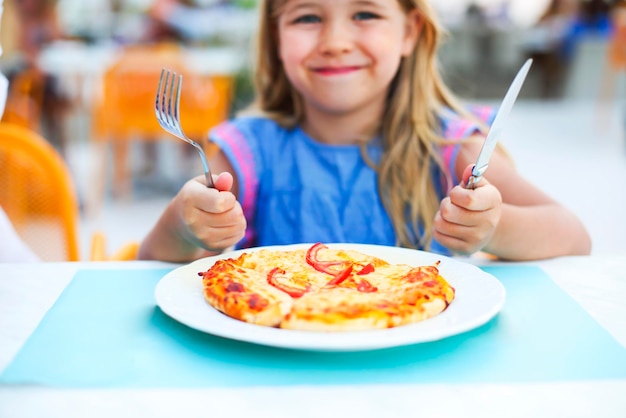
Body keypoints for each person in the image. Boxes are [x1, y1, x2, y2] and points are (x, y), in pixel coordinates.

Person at [138, 0, 591, 263]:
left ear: (410, 31)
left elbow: (574, 238)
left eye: (365, 14)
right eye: (307, 17)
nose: (335, 41)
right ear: (276, 36)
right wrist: (184, 225)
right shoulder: (245, 153)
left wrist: (493, 226)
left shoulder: (451, 148)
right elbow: (149, 266)